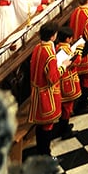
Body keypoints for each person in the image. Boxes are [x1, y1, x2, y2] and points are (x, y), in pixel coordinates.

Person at [28, 22, 61, 155]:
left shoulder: (38, 47)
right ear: (53, 36)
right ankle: (45, 154)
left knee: (40, 125)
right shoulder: (49, 54)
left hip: (36, 91)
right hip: (45, 94)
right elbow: (52, 78)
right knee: (47, 125)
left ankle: (40, 150)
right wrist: (63, 66)